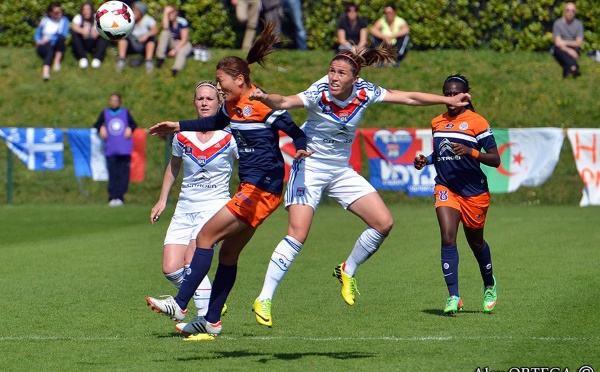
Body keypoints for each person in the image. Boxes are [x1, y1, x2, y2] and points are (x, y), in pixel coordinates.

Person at [247, 45, 472, 327]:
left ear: (355, 79)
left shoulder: (365, 92)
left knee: (383, 222)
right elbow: (284, 102)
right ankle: (265, 297)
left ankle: (347, 269)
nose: (333, 76)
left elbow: (409, 98)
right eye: (331, 70)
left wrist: (446, 100)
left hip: (340, 170)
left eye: (341, 73)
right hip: (310, 167)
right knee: (298, 234)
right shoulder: (319, 93)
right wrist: (266, 97)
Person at [145, 22, 311, 338]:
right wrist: (177, 125)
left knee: (205, 237)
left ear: (239, 80)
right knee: (228, 254)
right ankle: (212, 321)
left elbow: (296, 132)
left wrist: (301, 149)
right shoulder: (233, 106)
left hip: (263, 190)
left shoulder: (261, 103)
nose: (218, 88)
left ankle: (180, 305)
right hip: (254, 189)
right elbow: (213, 120)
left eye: (221, 82)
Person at [413, 75, 500, 315]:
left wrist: (471, 152)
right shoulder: (437, 122)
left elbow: (495, 159)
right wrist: (426, 160)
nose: (451, 99)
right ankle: (454, 296)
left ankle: (489, 284)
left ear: (465, 96)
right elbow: (441, 152)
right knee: (448, 237)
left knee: (476, 242)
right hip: (446, 187)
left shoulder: (477, 122)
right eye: (447, 94)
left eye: (456, 94)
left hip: (474, 193)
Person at [150, 81, 238, 318]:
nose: (204, 103)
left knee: (192, 258)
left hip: (214, 206)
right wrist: (162, 200)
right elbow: (174, 166)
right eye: (200, 98)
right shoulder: (182, 135)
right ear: (194, 102)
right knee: (170, 268)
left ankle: (204, 321)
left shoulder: (230, 136)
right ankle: (206, 297)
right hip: (185, 206)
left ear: (220, 102)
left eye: (210, 98)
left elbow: (249, 166)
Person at [93, 92, 138, 207]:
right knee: (113, 174)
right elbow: (96, 125)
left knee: (123, 174)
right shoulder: (105, 113)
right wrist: (101, 128)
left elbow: (134, 125)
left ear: (119, 101)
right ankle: (113, 196)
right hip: (111, 148)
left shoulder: (125, 112)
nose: (113, 102)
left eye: (115, 100)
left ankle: (120, 196)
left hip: (123, 149)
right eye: (111, 100)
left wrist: (129, 128)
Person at [116, 1, 158, 72]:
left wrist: (146, 35)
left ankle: (148, 61)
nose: (133, 12)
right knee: (123, 37)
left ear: (141, 11)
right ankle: (121, 60)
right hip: (132, 43)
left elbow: (155, 30)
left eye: (136, 10)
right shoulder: (129, 18)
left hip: (144, 44)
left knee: (152, 39)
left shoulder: (148, 19)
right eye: (133, 10)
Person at [34, 2, 70, 81]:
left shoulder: (64, 20)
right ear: (50, 13)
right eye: (56, 12)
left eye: (60, 11)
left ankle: (56, 62)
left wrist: (49, 39)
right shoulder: (45, 20)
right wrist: (38, 41)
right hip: (44, 44)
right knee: (49, 52)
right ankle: (46, 73)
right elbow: (37, 33)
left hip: (56, 44)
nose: (59, 13)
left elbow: (63, 34)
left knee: (61, 38)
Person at [155, 5, 193, 76]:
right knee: (164, 33)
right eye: (168, 13)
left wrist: (175, 50)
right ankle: (160, 59)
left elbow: (184, 39)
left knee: (182, 51)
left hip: (182, 43)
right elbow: (165, 28)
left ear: (176, 12)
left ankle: (176, 69)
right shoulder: (166, 21)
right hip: (171, 42)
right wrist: (165, 13)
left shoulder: (182, 22)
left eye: (171, 12)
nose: (170, 14)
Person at [71, 1, 109, 69]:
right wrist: (82, 31)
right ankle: (82, 58)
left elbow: (104, 27)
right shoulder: (78, 17)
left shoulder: (96, 17)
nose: (86, 11)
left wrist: (98, 32)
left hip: (94, 42)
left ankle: (97, 58)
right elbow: (74, 26)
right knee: (74, 34)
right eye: (84, 9)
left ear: (92, 10)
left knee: (104, 35)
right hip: (83, 42)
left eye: (88, 9)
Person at [551, 2, 584, 78]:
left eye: (573, 11)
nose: (570, 13)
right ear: (564, 11)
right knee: (561, 52)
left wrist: (564, 42)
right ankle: (574, 67)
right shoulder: (558, 23)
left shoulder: (579, 24)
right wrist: (569, 50)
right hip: (560, 48)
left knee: (567, 54)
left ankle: (566, 74)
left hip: (573, 47)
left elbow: (579, 43)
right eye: (568, 10)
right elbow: (557, 43)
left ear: (575, 13)